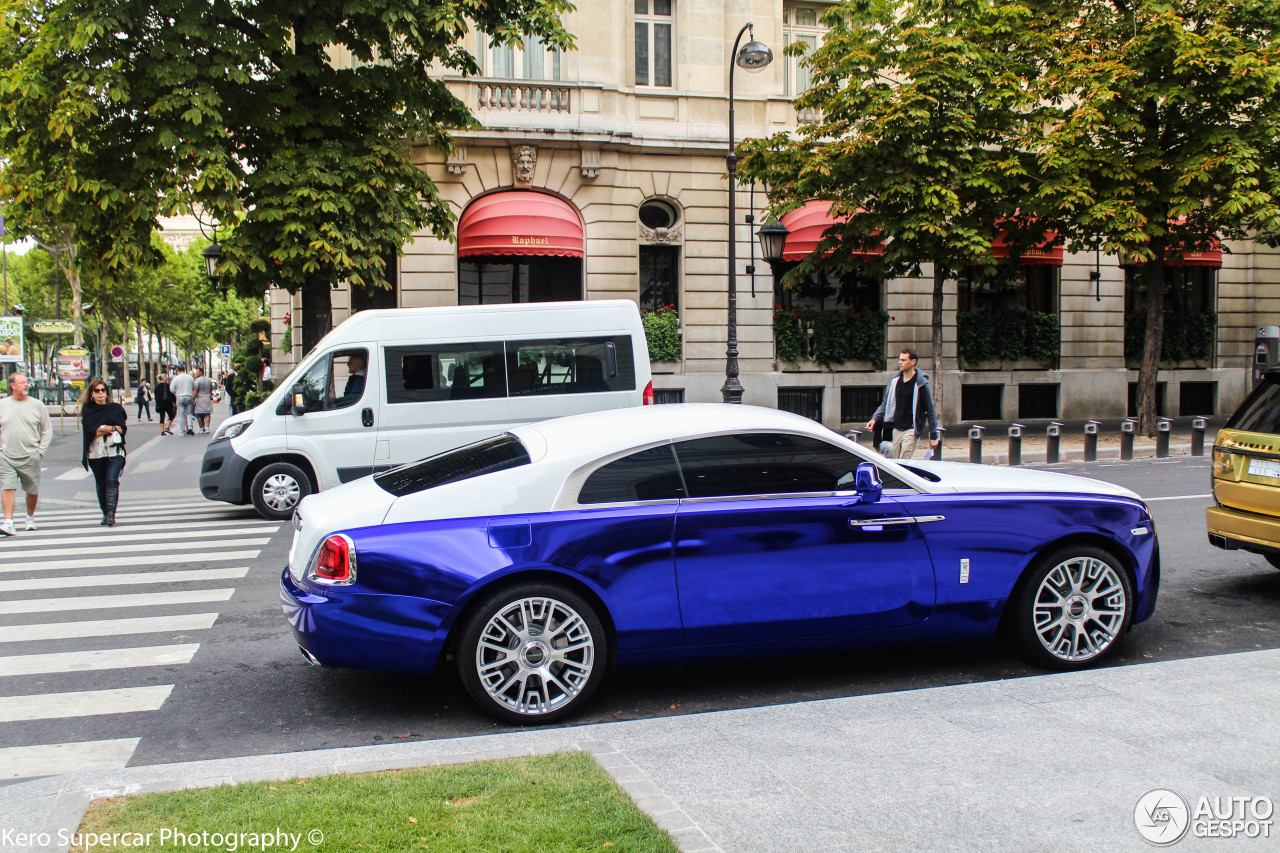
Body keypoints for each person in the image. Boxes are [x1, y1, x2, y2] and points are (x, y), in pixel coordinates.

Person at [0, 373, 52, 536]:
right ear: (12, 385)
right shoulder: (3, 405)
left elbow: (47, 430)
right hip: (6, 455)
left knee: (32, 489)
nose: (26, 385)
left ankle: (30, 517)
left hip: (31, 455)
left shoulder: (37, 405)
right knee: (8, 487)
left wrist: (40, 452)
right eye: (22, 382)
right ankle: (8, 522)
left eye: (26, 382)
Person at [866, 348, 940, 460]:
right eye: (899, 359)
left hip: (911, 429)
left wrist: (934, 435)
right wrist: (875, 418)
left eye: (904, 360)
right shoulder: (896, 381)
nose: (900, 362)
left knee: (905, 460)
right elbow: (885, 403)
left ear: (913, 362)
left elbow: (930, 410)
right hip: (896, 429)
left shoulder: (921, 383)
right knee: (896, 461)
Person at [79, 377, 127, 526]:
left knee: (111, 480)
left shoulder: (116, 408)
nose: (100, 393)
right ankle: (105, 512)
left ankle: (111, 513)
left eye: (103, 390)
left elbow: (122, 429)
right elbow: (91, 432)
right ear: (91, 394)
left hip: (115, 451)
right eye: (97, 391)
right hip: (96, 452)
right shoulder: (88, 411)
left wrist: (103, 428)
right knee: (100, 482)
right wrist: (111, 428)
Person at [170, 364, 196, 436]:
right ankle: (190, 427)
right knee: (189, 413)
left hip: (180, 397)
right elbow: (194, 386)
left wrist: (176, 392)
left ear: (177, 371)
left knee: (181, 414)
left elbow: (172, 389)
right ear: (184, 370)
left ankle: (182, 431)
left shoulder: (176, 378)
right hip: (189, 396)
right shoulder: (190, 377)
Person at [193, 368, 214, 433]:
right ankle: (207, 428)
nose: (196, 373)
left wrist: (193, 398)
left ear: (201, 372)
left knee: (198, 414)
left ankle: (202, 428)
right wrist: (210, 395)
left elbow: (196, 390)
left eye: (197, 372)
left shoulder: (197, 380)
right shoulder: (208, 380)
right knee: (207, 413)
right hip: (207, 397)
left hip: (199, 397)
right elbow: (211, 389)